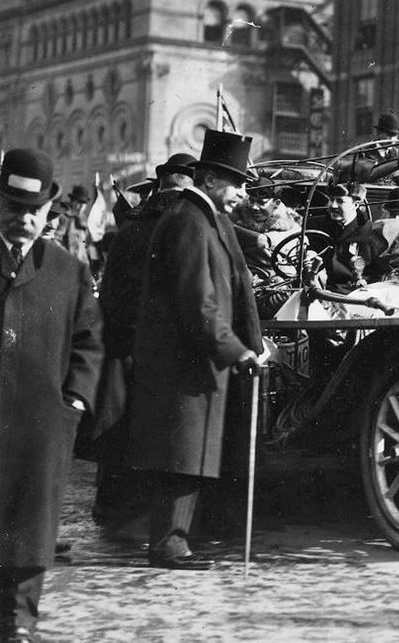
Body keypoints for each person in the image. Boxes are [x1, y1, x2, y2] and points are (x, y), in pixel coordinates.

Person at [128, 130, 264, 570]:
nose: (242, 195)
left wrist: (253, 345)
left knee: (191, 450)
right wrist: (234, 349)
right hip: (184, 362)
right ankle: (168, 544)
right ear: (207, 180)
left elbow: (237, 286)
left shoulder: (209, 219)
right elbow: (196, 301)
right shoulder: (188, 221)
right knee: (180, 453)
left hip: (199, 360)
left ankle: (176, 540)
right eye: (236, 184)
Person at [0, 149, 103, 642]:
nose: (23, 219)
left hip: (40, 425)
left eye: (34, 211)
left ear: (49, 213)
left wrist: (75, 400)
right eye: (13, 207)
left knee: (31, 528)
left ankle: (19, 625)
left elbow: (89, 341)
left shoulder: (66, 271)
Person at [90, 153, 196, 531]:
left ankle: (112, 505)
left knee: (118, 428)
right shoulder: (178, 225)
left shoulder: (132, 226)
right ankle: (136, 509)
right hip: (153, 346)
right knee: (149, 428)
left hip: (121, 342)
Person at [230, 176, 304, 318]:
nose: (254, 207)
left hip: (281, 283)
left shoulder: (291, 228)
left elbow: (299, 257)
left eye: (261, 202)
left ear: (276, 204)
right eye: (251, 201)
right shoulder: (235, 221)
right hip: (246, 282)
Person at [312, 183, 378, 294]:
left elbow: (378, 272)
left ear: (356, 205)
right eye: (331, 199)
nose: (333, 205)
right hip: (316, 291)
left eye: (340, 201)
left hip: (353, 295)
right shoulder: (314, 225)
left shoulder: (369, 230)